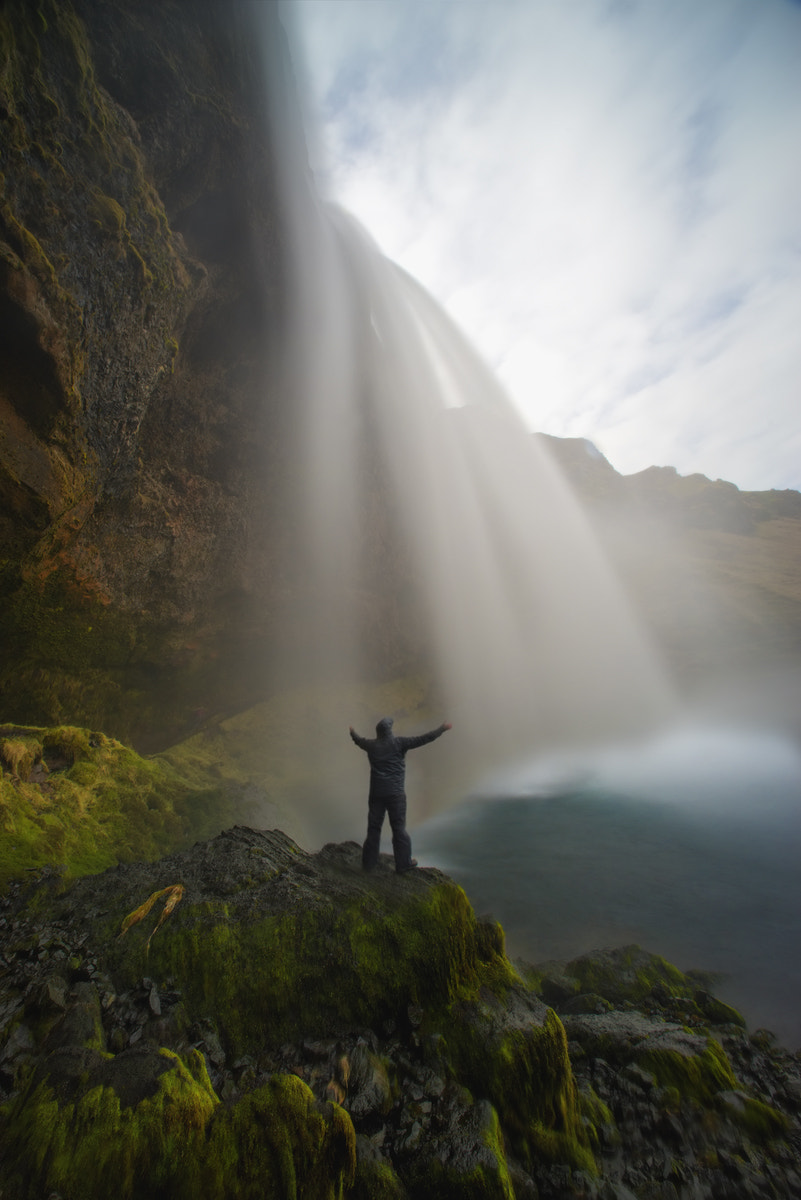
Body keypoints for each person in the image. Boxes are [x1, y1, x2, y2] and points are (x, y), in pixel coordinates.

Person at [349, 716, 452, 873]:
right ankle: (403, 864)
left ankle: (369, 863)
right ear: (390, 730)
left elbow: (358, 740)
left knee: (373, 828)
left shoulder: (371, 745)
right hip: (395, 795)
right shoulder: (399, 743)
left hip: (376, 794)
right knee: (398, 828)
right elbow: (424, 738)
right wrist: (442, 729)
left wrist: (352, 732)